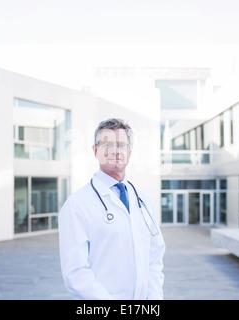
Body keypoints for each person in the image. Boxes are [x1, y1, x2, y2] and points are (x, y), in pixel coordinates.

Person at [58, 118, 165, 300]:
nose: (115, 151)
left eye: (121, 145)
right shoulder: (77, 205)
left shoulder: (144, 200)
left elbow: (154, 257)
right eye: (107, 145)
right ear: (95, 151)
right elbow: (76, 272)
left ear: (129, 152)